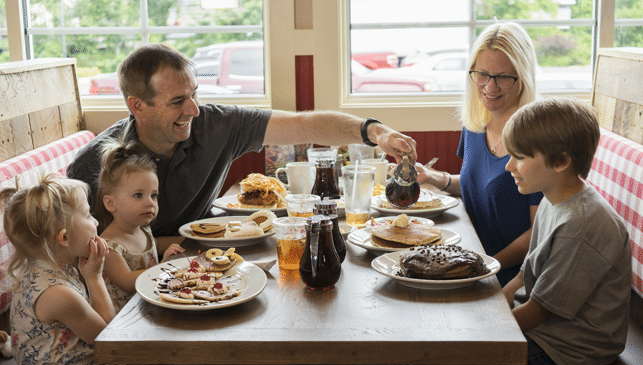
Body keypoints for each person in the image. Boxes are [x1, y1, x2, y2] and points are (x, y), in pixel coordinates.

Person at [66, 43, 417, 239]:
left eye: (195, 94)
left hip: (203, 254)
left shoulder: (219, 124)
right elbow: (81, 248)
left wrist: (376, 132)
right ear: (137, 106)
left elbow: (305, 125)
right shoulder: (93, 164)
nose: (195, 110)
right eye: (177, 102)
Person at [407, 97, 632, 365]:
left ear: (561, 161)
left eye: (521, 157)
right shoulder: (554, 199)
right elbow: (523, 276)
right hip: (546, 329)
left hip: (569, 348)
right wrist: (486, 313)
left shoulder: (582, 224)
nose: (509, 166)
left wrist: (476, 332)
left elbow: (539, 312)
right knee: (433, 357)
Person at [0, 174, 188, 365]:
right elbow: (109, 340)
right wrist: (95, 278)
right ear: (65, 237)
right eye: (88, 215)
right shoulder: (59, 295)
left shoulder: (46, 270)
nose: (97, 222)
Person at [411, 22, 543, 286]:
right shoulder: (475, 124)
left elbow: (538, 234)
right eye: (482, 74)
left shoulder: (537, 138)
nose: (490, 87)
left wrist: (486, 264)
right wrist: (437, 178)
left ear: (523, 77)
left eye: (504, 77)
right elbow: (479, 186)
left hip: (509, 276)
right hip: (469, 260)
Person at [96, 137, 184, 314]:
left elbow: (156, 244)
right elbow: (128, 283)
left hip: (151, 304)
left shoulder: (142, 229)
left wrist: (189, 240)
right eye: (138, 195)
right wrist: (164, 266)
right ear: (110, 203)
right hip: (126, 317)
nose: (150, 203)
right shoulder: (109, 246)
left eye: (154, 195)